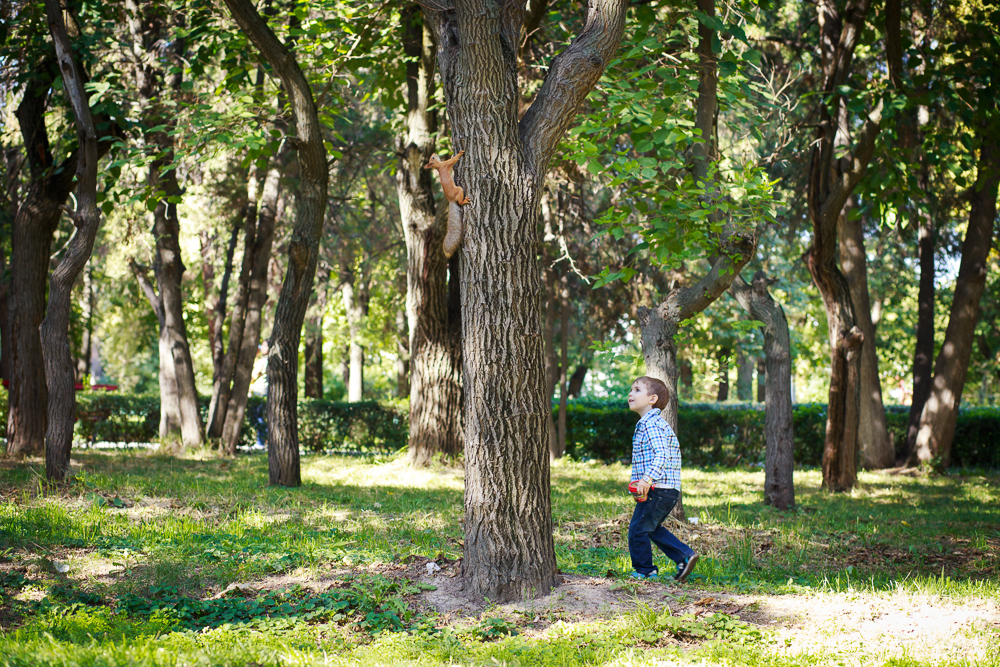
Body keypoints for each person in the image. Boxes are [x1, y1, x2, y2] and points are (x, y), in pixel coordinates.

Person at [626, 376, 698, 581]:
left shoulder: (651, 424)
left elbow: (662, 454)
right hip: (666, 489)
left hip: (658, 487)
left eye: (637, 390)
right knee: (651, 527)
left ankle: (644, 570)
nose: (631, 394)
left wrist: (647, 479)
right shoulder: (653, 423)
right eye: (631, 390)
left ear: (652, 398)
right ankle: (685, 556)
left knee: (638, 529)